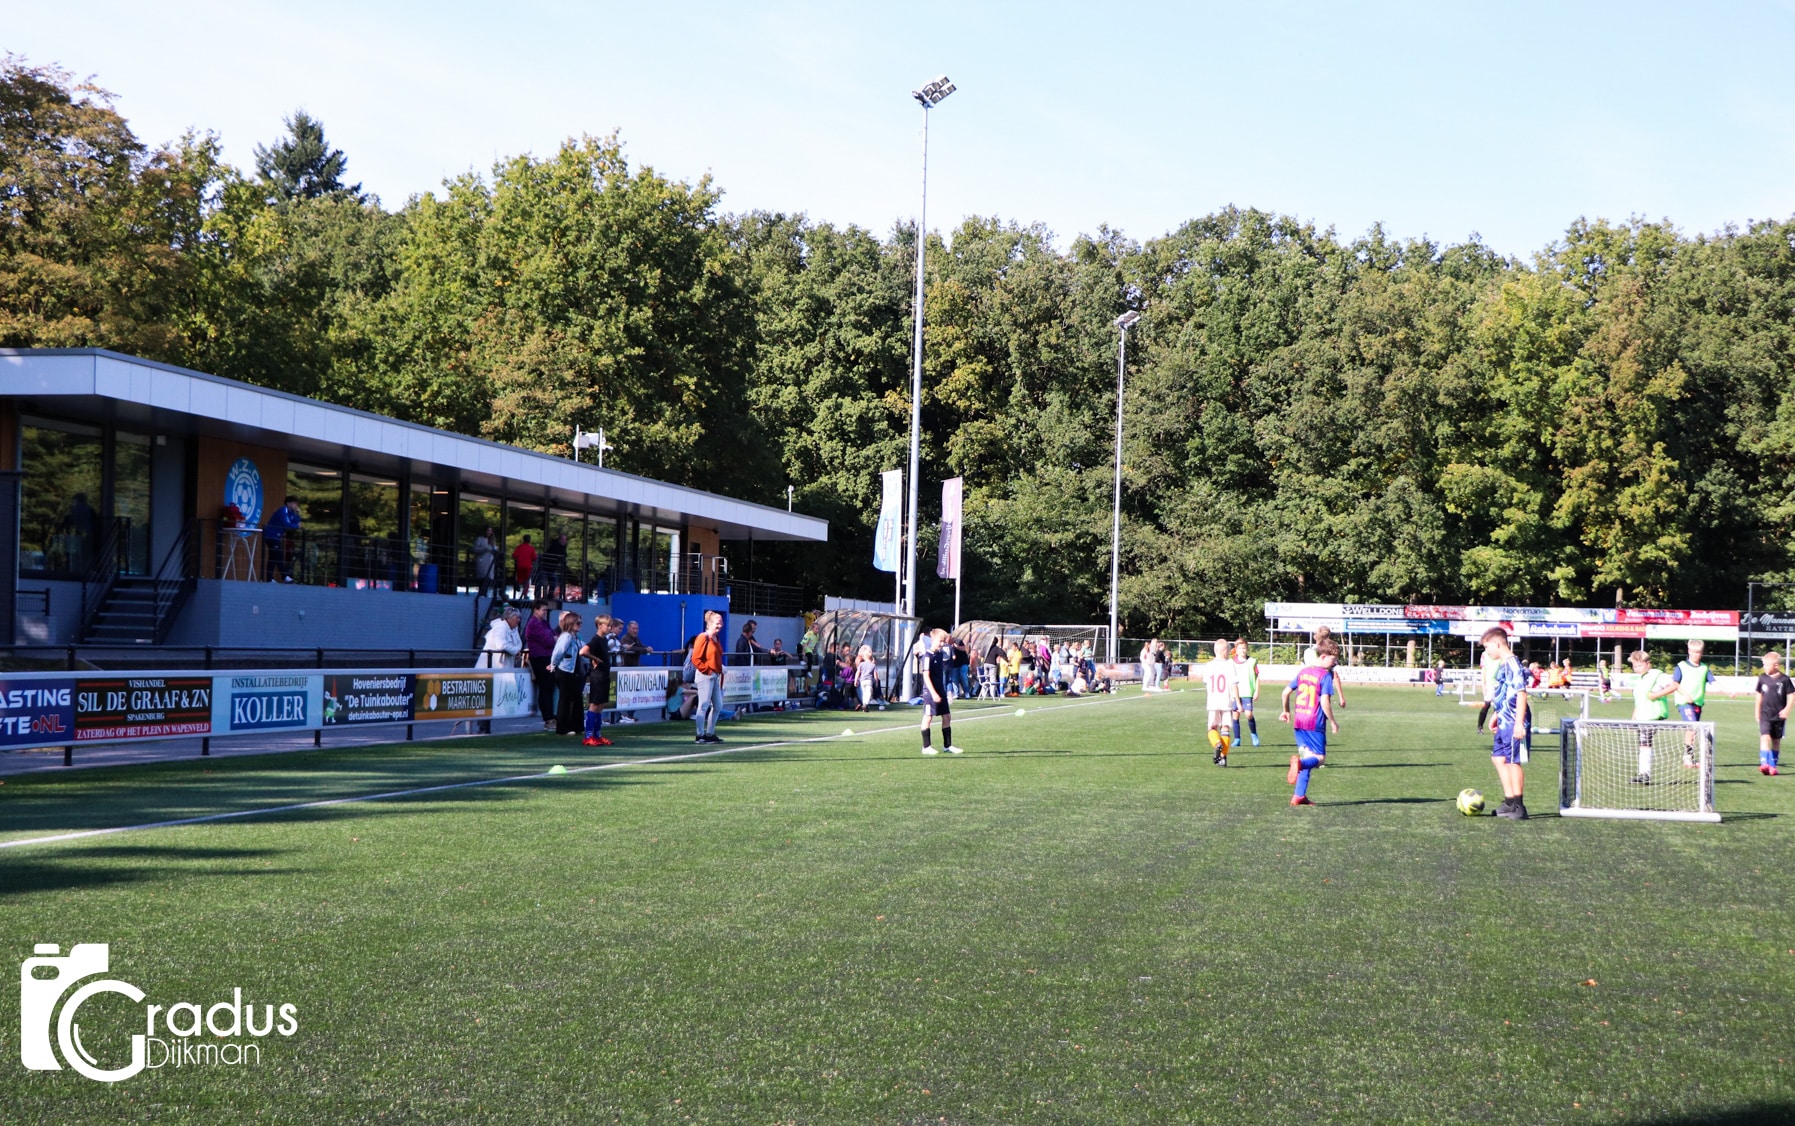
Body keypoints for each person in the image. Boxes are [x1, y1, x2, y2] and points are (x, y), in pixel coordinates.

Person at [1280, 640, 1340, 806]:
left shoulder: (1303, 671)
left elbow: (1285, 693)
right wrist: (1333, 722)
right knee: (1319, 759)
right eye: (1333, 660)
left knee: (1308, 755)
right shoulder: (1325, 675)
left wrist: (1286, 711)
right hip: (1314, 722)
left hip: (1299, 720)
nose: (1334, 663)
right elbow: (1324, 701)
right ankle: (1299, 764)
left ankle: (1299, 796)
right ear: (1323, 656)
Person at [1482, 627, 1532, 820]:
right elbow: (1505, 692)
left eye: (1487, 647)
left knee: (1513, 761)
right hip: (1504, 719)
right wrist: (1496, 713)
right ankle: (1509, 802)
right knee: (1498, 758)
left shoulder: (1513, 664)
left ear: (1497, 643)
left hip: (1513, 721)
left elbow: (1521, 693)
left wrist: (1519, 722)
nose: (1487, 652)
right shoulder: (1504, 664)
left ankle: (1519, 807)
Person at [1628, 650, 1678, 785]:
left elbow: (1674, 685)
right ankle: (1643, 773)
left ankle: (1645, 774)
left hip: (1652, 716)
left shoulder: (1656, 675)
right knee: (1643, 744)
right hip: (1642, 717)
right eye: (1634, 666)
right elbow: (1639, 701)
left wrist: (1656, 694)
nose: (1636, 668)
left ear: (1648, 664)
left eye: (1639, 665)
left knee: (1645, 743)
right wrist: (1634, 717)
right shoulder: (1640, 679)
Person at [476, 605, 523, 734]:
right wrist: (515, 651)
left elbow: (519, 643)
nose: (519, 620)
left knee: (495, 696)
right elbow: (501, 645)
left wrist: (514, 649)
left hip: (501, 667)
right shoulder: (500, 628)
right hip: (489, 666)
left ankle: (486, 726)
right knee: (487, 697)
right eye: (517, 618)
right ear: (509, 618)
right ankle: (482, 727)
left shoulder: (514, 629)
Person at [916, 627, 962, 755]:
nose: (942, 644)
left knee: (947, 716)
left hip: (940, 690)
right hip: (930, 692)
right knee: (928, 717)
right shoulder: (927, 656)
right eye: (940, 641)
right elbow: (926, 676)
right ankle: (926, 747)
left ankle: (947, 746)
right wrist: (933, 693)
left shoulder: (940, 654)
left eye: (943, 641)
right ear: (933, 640)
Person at [1671, 639, 1715, 767]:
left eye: (1699, 652)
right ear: (1689, 651)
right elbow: (1674, 683)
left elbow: (1713, 681)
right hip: (1684, 702)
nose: (1696, 654)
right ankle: (1689, 757)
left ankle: (1688, 756)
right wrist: (1685, 695)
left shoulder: (1704, 668)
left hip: (1697, 703)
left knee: (1690, 729)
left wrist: (1728, 691)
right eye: (1694, 652)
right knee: (1693, 726)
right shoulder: (1681, 666)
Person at [578, 614, 614, 747]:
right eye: (608, 625)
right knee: (594, 704)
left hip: (604, 674)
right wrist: (595, 658)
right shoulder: (596, 639)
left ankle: (597, 735)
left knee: (601, 704)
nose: (610, 628)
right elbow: (583, 651)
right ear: (600, 625)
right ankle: (588, 735)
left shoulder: (604, 640)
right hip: (597, 675)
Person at [1754, 650, 1792, 776]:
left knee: (1776, 740)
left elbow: (1792, 695)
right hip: (1765, 714)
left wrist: (1787, 710)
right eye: (1763, 665)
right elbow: (1759, 696)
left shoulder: (1784, 679)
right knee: (1765, 737)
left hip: (1779, 716)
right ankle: (1764, 763)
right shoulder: (1762, 678)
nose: (1764, 667)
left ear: (1776, 666)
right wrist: (1757, 712)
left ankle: (1772, 766)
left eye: (1767, 665)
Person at [1202, 638, 1239, 766]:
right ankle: (1223, 757)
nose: (1229, 652)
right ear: (1224, 651)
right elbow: (1234, 684)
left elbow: (1206, 682)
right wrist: (1238, 702)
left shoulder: (1209, 665)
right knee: (1225, 728)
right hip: (1226, 700)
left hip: (1213, 701)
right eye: (1228, 650)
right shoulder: (1230, 664)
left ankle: (1217, 743)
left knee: (1212, 727)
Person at [691, 609, 726, 744]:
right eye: (718, 623)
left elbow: (715, 658)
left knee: (718, 705)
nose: (720, 625)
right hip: (705, 676)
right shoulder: (703, 637)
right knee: (703, 705)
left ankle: (710, 733)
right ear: (710, 624)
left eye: (721, 623)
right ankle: (700, 734)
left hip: (714, 676)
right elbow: (696, 659)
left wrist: (719, 669)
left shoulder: (715, 639)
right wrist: (708, 670)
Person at [550, 610, 585, 736]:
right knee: (565, 699)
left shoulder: (574, 637)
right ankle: (563, 728)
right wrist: (553, 664)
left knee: (576, 699)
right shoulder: (566, 637)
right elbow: (558, 652)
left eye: (580, 622)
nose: (580, 624)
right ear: (570, 623)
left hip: (573, 671)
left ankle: (577, 726)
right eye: (577, 622)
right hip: (565, 671)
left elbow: (583, 648)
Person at [525, 601, 559, 731]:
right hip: (539, 658)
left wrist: (553, 638)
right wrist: (553, 638)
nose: (545, 612)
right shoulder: (533, 624)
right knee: (545, 688)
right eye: (543, 610)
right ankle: (548, 718)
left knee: (549, 688)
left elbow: (553, 636)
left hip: (548, 657)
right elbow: (549, 640)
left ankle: (551, 717)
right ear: (536, 610)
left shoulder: (544, 623)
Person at [1232, 638, 1261, 747]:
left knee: (1249, 714)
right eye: (1240, 648)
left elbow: (1257, 677)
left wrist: (1257, 691)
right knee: (1235, 715)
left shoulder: (1252, 661)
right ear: (1236, 649)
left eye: (1244, 648)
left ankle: (1254, 735)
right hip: (1236, 693)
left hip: (1247, 692)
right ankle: (1237, 739)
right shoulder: (1232, 662)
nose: (1243, 650)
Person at [263, 499, 301, 583]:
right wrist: (295, 526)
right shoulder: (282, 511)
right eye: (294, 503)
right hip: (271, 535)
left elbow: (297, 522)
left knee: (273, 557)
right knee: (278, 554)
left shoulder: (291, 513)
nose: (296, 505)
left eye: (296, 504)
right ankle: (284, 576)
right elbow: (286, 524)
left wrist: (298, 514)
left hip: (277, 537)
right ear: (288, 503)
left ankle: (269, 579)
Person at [537, 532, 568, 602]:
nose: (564, 541)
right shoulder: (555, 545)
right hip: (546, 566)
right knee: (542, 581)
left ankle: (549, 596)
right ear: (559, 540)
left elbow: (564, 556)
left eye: (565, 540)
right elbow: (556, 555)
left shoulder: (563, 548)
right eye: (563, 539)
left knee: (554, 581)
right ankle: (538, 596)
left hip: (552, 568)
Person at [472, 527, 497, 599]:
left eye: (491, 531)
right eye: (488, 530)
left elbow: (494, 549)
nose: (489, 532)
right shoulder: (480, 539)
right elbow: (475, 549)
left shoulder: (492, 541)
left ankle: (484, 593)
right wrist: (484, 549)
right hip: (482, 561)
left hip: (490, 562)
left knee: (489, 578)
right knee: (482, 579)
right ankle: (482, 593)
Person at [511, 535, 537, 600]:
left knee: (520, 579)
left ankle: (516, 583)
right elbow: (534, 558)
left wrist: (517, 560)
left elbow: (514, 555)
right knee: (526, 581)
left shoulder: (519, 547)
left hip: (520, 566)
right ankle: (525, 594)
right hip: (528, 567)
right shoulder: (531, 548)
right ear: (529, 540)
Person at [855, 644, 878, 712]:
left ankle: (864, 706)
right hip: (869, 681)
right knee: (868, 693)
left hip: (862, 681)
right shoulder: (873, 665)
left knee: (864, 693)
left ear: (864, 656)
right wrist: (876, 681)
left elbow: (858, 672)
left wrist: (855, 680)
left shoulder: (861, 664)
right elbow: (875, 674)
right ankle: (865, 704)